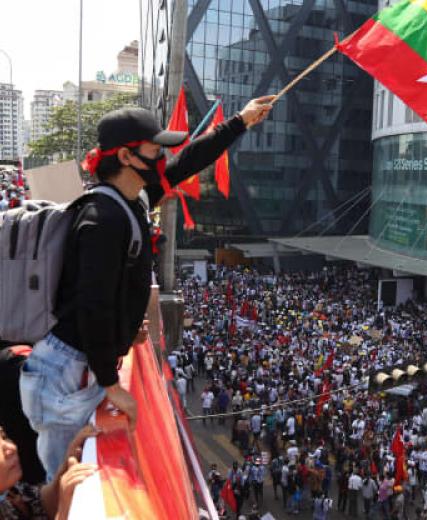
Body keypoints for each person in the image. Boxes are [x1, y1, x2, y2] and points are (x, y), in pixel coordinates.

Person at [18, 96, 275, 482]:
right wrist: (110, 383)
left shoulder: (133, 199)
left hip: (78, 364)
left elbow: (189, 161)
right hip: (65, 373)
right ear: (125, 157)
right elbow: (94, 304)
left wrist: (241, 121)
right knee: (65, 485)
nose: (162, 160)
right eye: (155, 151)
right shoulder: (102, 218)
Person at [0, 425, 97, 519]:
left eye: (4, 437)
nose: (11, 448)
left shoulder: (11, 491)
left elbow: (42, 504)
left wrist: (69, 462)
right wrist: (63, 511)